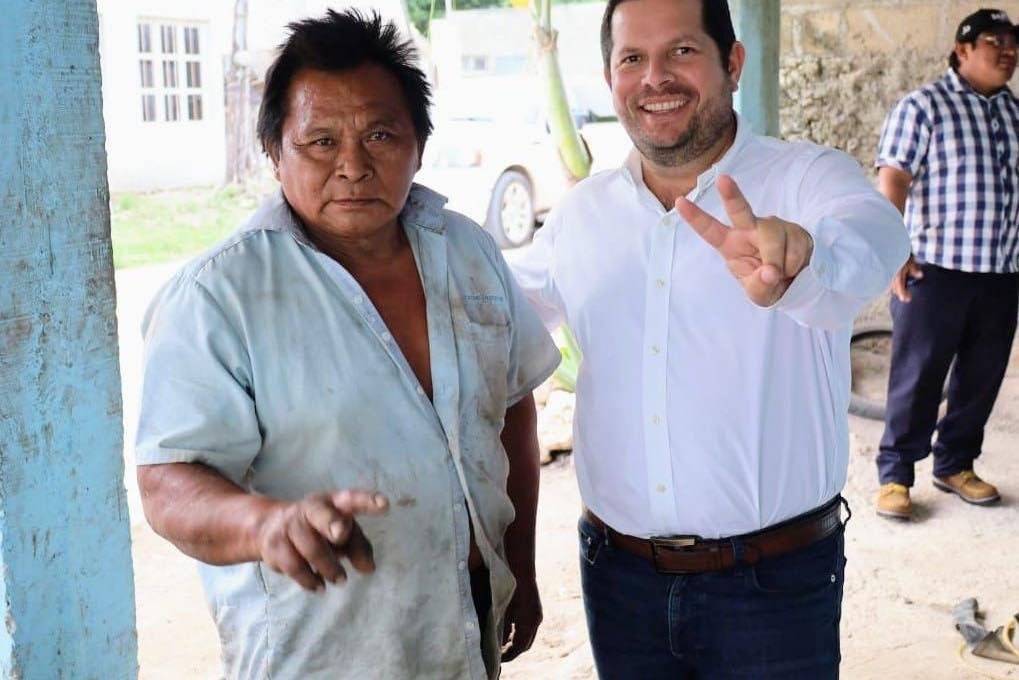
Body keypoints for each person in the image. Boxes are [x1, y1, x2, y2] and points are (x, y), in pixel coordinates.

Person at [134, 10, 560, 679]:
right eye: (321, 141)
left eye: (380, 135)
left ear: (419, 144)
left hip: (464, 627)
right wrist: (263, 525)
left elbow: (511, 410)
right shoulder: (220, 296)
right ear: (273, 151)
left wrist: (520, 568)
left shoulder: (467, 251)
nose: (354, 167)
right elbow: (167, 483)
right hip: (321, 649)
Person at [510, 0, 909, 676]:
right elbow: (488, 315)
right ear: (609, 79)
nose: (654, 77)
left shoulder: (804, 178)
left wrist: (804, 257)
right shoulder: (581, 216)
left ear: (733, 62)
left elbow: (876, 234)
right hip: (617, 580)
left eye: (682, 51)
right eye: (632, 58)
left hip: (773, 588)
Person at [874, 8, 1019, 521]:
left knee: (981, 376)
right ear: (962, 50)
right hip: (935, 269)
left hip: (1002, 271)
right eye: (994, 41)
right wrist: (893, 247)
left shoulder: (1013, 113)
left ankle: (956, 464)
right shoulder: (924, 106)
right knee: (918, 376)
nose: (1008, 51)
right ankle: (895, 474)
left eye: (1012, 42)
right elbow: (893, 177)